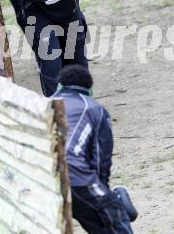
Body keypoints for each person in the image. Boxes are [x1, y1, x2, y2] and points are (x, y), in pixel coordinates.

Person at [54, 65, 137, 233]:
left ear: (59, 85)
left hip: (38, 177)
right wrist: (105, 196)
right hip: (74, 176)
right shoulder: (94, 109)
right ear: (88, 89)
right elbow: (101, 161)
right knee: (116, 216)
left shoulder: (43, 103)